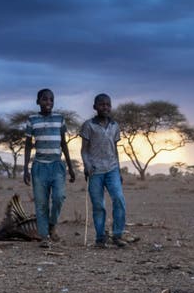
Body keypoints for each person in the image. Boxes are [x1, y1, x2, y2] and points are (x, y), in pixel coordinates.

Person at [23, 88, 76, 248]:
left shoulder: (60, 119)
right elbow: (27, 145)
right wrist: (25, 168)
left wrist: (70, 167)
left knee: (59, 198)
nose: (48, 103)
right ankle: (44, 236)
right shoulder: (32, 120)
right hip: (39, 166)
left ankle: (52, 225)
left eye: (51, 100)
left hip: (57, 165)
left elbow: (64, 144)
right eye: (45, 99)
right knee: (41, 203)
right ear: (38, 101)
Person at [78, 93, 127, 248]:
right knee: (98, 205)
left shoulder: (115, 126)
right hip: (95, 171)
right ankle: (100, 238)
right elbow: (84, 150)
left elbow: (116, 150)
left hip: (112, 169)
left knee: (119, 200)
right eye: (101, 104)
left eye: (108, 104)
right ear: (95, 107)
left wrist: (118, 171)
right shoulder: (88, 125)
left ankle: (117, 235)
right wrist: (86, 165)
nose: (105, 107)